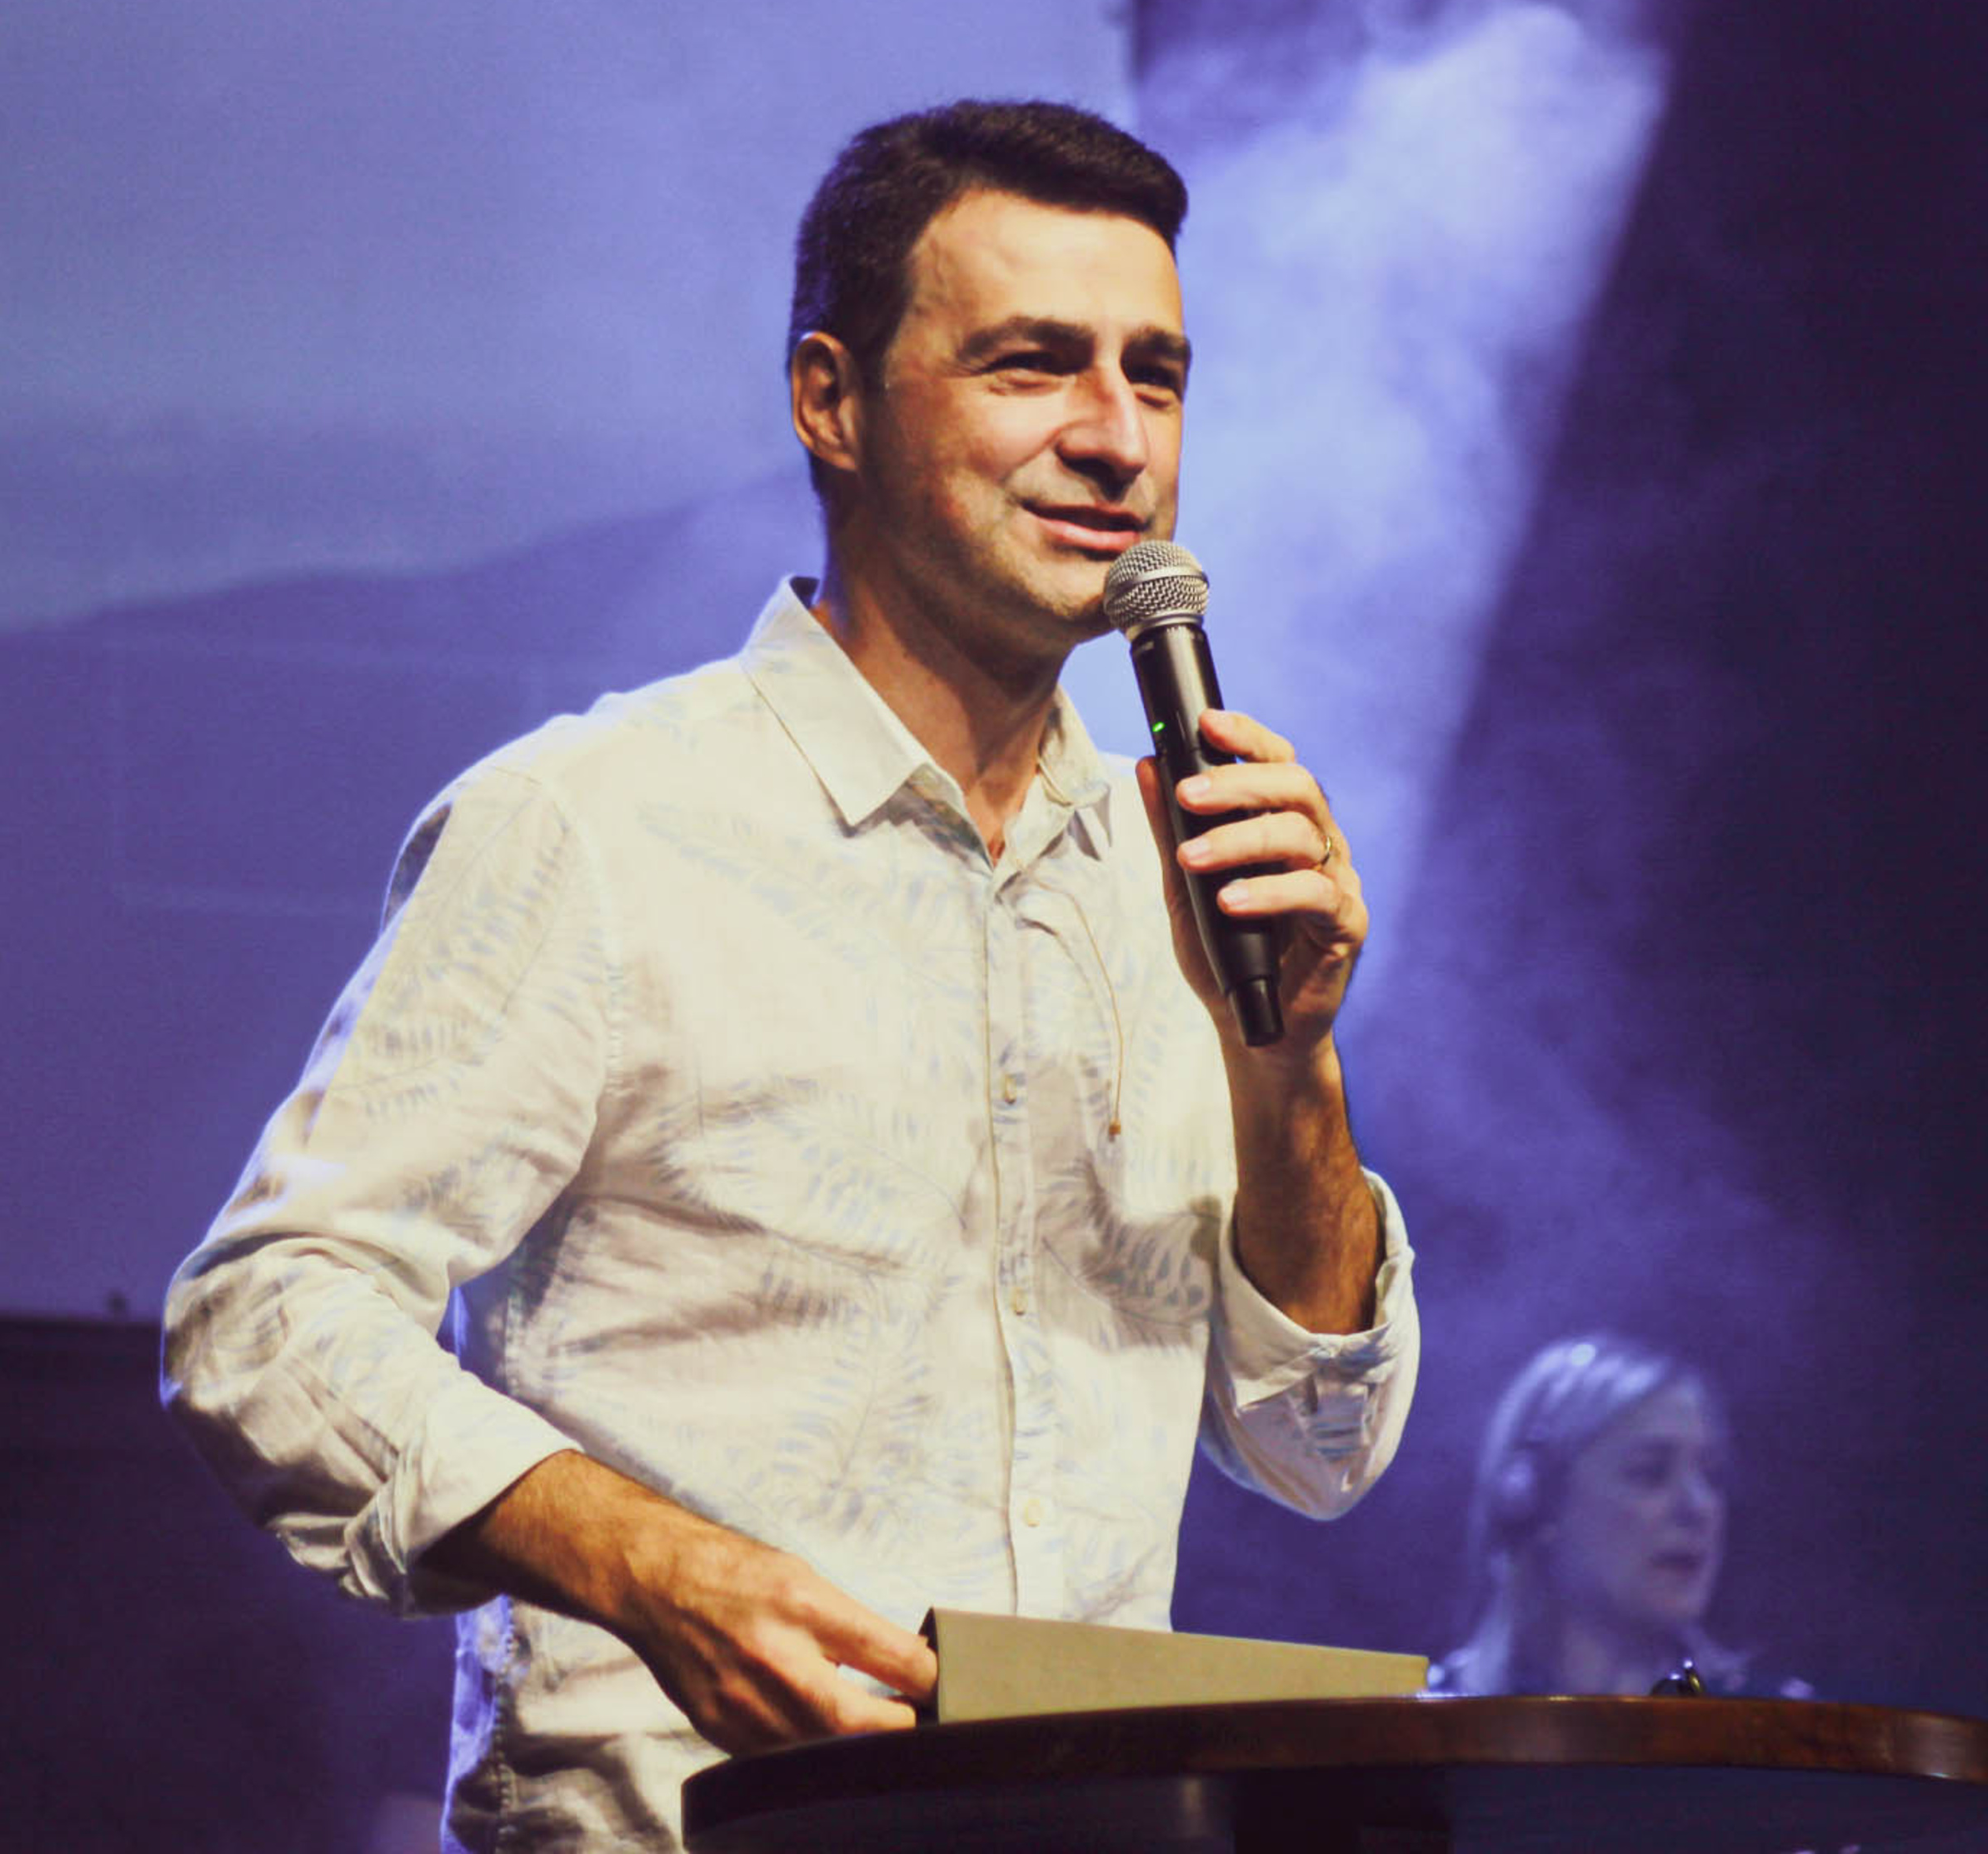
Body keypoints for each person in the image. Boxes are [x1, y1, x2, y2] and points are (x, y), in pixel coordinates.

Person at [162, 99, 1420, 1851]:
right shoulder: (597, 824)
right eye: (1033, 365)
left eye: (1158, 376)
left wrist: (1293, 1063)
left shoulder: (1185, 863)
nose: (1116, 439)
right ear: (832, 401)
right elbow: (266, 1317)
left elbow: (1318, 1449)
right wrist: (646, 1562)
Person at [1427, 1332, 1799, 1698]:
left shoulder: (1776, 1723)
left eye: (1712, 1475)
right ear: (1535, 1500)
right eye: (1650, 1472)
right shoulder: (1426, 1720)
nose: (1699, 1507)